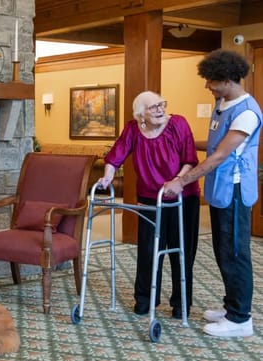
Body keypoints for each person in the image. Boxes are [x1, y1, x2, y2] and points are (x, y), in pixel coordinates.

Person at [164, 49, 262, 337]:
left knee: (235, 252)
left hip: (234, 189)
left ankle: (240, 319)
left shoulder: (246, 113)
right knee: (222, 250)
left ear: (228, 79)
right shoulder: (222, 103)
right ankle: (231, 306)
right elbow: (214, 142)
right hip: (219, 189)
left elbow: (219, 156)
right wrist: (182, 141)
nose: (207, 85)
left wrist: (181, 182)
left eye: (211, 80)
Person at [98, 91, 200, 319]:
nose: (160, 110)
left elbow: (190, 160)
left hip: (182, 197)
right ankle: (145, 300)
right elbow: (115, 156)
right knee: (148, 251)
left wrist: (177, 181)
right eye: (153, 107)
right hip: (149, 200)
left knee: (182, 251)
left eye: (161, 104)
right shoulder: (133, 129)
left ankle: (180, 304)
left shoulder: (178, 124)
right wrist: (107, 177)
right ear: (140, 113)